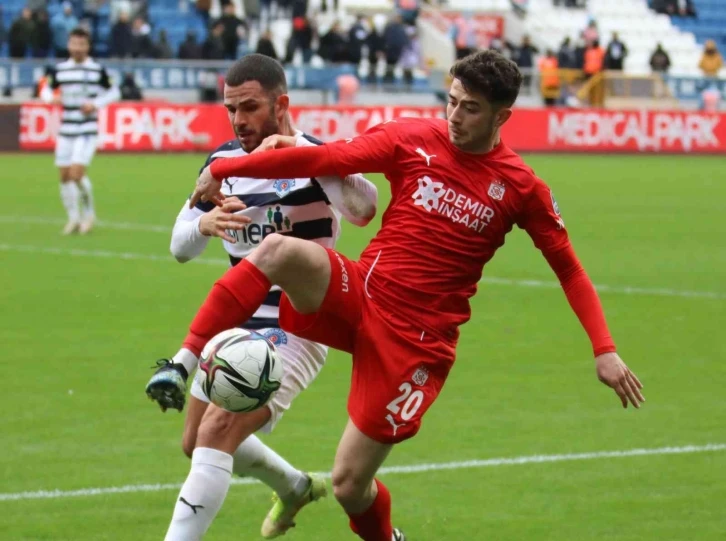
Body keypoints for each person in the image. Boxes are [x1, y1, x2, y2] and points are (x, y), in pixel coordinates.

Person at [164, 50, 645, 541]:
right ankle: (182, 360)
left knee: (349, 484)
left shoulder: (521, 187)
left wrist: (604, 349)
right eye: (451, 101)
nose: (455, 116)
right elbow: (326, 159)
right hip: (361, 292)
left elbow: (569, 269)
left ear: (502, 117)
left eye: (470, 108)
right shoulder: (413, 137)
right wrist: (228, 167)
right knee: (278, 250)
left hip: (415, 343)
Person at [145, 54, 379, 540]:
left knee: (216, 433)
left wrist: (302, 150)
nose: (238, 119)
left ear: (281, 104)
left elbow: (364, 208)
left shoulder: (313, 155)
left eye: (249, 107)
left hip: (296, 324)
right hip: (235, 322)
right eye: (231, 109)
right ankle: (294, 487)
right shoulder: (223, 165)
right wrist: (204, 224)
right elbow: (179, 247)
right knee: (195, 442)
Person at [41, 27, 120, 235]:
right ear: (68, 45)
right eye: (74, 43)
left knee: (76, 174)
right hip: (66, 128)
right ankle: (73, 218)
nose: (77, 48)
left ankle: (89, 215)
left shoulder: (97, 70)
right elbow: (45, 88)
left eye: (81, 44)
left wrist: (95, 104)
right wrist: (51, 98)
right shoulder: (60, 70)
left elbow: (114, 92)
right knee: (64, 176)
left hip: (86, 129)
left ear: (88, 46)